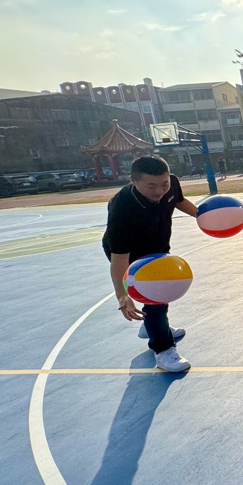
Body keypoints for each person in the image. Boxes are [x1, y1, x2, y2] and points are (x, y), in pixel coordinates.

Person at [103, 156, 197, 372]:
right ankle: (163, 350)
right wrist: (122, 295)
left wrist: (201, 214)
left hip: (158, 245)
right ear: (133, 181)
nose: (159, 191)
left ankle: (152, 326)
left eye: (164, 184)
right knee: (157, 295)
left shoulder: (171, 183)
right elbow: (119, 259)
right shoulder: (122, 209)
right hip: (130, 253)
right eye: (151, 186)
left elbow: (178, 200)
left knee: (160, 293)